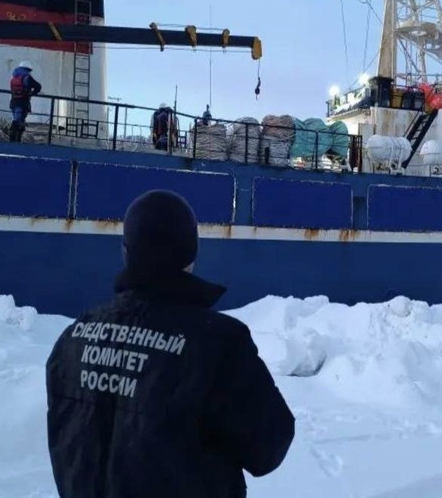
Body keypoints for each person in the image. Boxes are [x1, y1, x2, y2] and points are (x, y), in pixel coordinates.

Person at [45, 189, 295, 498]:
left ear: (126, 252)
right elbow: (268, 447)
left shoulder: (74, 338)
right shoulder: (219, 345)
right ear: (191, 256)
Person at [9, 60, 42, 142]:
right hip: (23, 102)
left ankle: (13, 139)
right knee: (20, 120)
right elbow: (38, 86)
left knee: (16, 119)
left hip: (13, 102)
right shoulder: (27, 77)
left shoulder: (14, 77)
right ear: (28, 69)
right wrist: (32, 93)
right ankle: (16, 140)